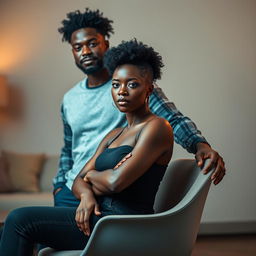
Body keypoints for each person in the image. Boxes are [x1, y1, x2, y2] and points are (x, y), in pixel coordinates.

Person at [0, 39, 173, 255]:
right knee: (14, 232)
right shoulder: (114, 134)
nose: (122, 91)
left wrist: (91, 177)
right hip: (97, 214)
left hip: (123, 223)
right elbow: (78, 181)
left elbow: (114, 183)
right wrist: (87, 195)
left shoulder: (156, 127)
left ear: (149, 89)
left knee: (19, 220)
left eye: (132, 84)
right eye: (116, 84)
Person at [53, 8, 226, 209]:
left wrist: (199, 144)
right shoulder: (70, 99)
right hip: (72, 188)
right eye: (78, 47)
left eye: (92, 44)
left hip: (109, 190)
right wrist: (58, 185)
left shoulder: (133, 85)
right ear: (73, 52)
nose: (86, 52)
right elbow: (68, 148)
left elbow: (172, 119)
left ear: (105, 44)